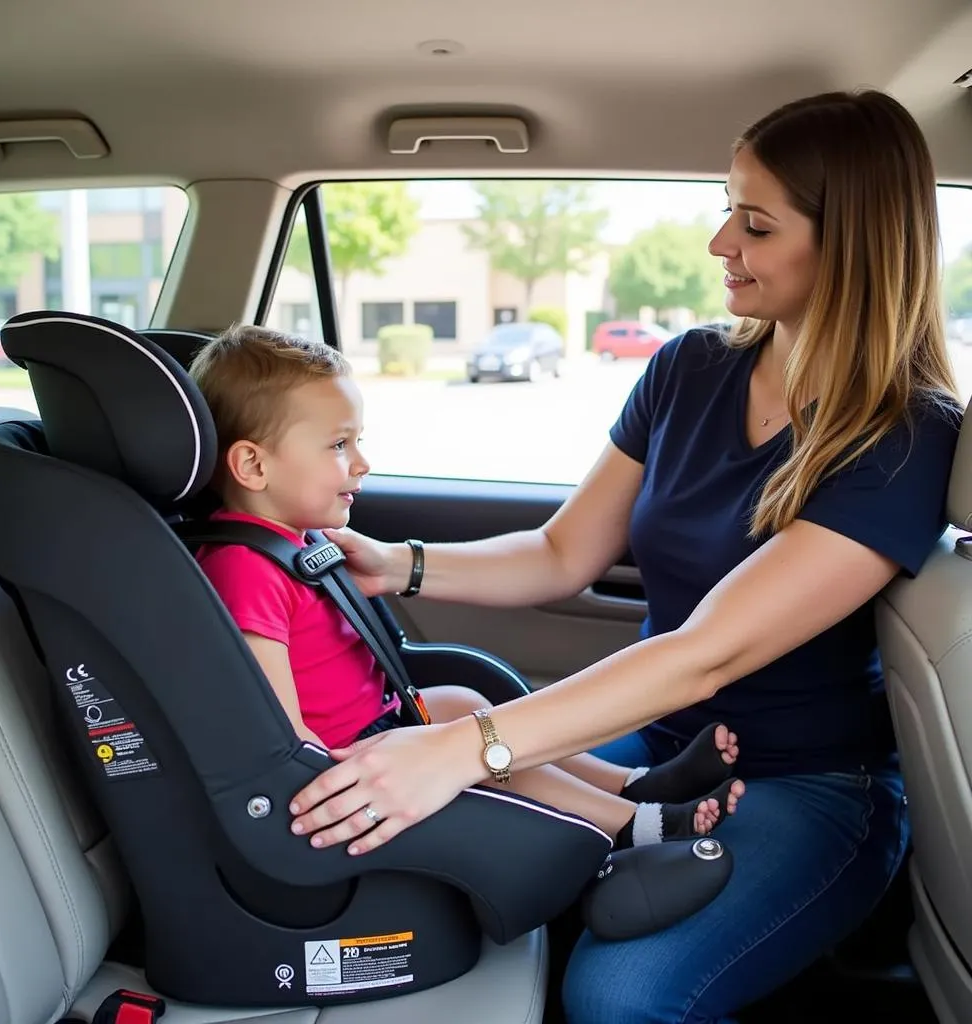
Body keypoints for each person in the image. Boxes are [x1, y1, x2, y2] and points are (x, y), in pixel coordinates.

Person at [286, 88, 964, 1023]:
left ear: (849, 244)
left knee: (618, 995)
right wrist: (397, 564)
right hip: (663, 747)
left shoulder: (904, 436)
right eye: (726, 209)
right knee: (485, 875)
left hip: (810, 785)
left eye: (755, 223)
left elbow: (708, 649)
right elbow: (564, 552)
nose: (721, 242)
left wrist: (466, 746)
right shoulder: (690, 367)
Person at [188, 325, 745, 852]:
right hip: (345, 767)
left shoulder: (298, 541)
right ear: (252, 466)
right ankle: (634, 826)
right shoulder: (243, 567)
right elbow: (278, 732)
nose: (362, 463)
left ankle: (634, 784)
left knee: (467, 705)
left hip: (374, 725)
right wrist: (341, 774)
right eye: (338, 446)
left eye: (358, 441)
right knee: (482, 745)